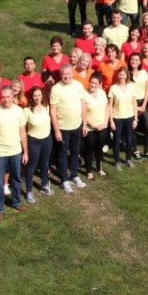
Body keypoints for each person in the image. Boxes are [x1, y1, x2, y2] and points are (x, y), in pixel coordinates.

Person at [0, 86, 29, 219]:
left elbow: (22, 132)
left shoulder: (19, 111)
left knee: (16, 179)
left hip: (16, 151)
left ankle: (17, 202)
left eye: (8, 97)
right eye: (3, 97)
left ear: (12, 96)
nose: (5, 100)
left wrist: (25, 152)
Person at [50, 65, 87, 193]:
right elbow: (53, 111)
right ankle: (64, 180)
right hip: (63, 128)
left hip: (77, 126)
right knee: (63, 154)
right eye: (64, 74)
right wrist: (56, 130)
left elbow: (83, 105)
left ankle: (74, 175)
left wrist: (85, 123)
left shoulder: (78, 86)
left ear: (72, 74)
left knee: (75, 152)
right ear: (60, 75)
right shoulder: (56, 89)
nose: (66, 76)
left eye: (68, 73)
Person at [22, 87, 53, 201]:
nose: (37, 98)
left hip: (47, 140)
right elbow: (22, 129)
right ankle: (29, 191)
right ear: (31, 97)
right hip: (33, 141)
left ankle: (44, 184)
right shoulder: (26, 111)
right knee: (31, 166)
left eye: (39, 95)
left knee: (45, 163)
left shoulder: (46, 107)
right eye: (35, 95)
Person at [108, 66, 139, 169]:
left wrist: (135, 118)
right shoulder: (113, 88)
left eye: (124, 75)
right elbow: (110, 105)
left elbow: (134, 103)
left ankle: (128, 159)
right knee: (117, 140)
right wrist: (111, 120)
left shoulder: (131, 87)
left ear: (127, 76)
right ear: (118, 75)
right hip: (117, 118)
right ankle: (117, 161)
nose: (122, 76)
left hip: (129, 117)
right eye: (120, 74)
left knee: (129, 140)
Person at [81, 73, 111, 179]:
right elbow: (83, 112)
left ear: (99, 84)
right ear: (89, 82)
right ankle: (89, 172)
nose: (93, 85)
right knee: (89, 150)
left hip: (102, 126)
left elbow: (107, 108)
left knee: (100, 149)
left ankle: (100, 169)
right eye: (92, 82)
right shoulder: (84, 94)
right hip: (90, 128)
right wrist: (93, 125)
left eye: (96, 83)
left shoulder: (102, 93)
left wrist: (105, 122)